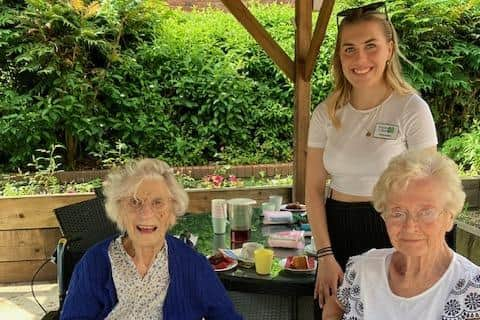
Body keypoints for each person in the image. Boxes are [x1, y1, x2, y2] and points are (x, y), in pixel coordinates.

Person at [305, 1, 438, 309]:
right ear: (339, 56)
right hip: (336, 232)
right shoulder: (326, 113)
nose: (360, 58)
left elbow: (430, 191)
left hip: (396, 231)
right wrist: (325, 254)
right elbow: (312, 190)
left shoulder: (411, 109)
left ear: (389, 49)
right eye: (349, 49)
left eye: (371, 46)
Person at [60, 159, 242, 320]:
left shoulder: (193, 264)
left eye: (157, 202)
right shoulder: (94, 264)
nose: (146, 214)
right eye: (134, 202)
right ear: (119, 210)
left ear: (172, 210)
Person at [322, 150, 480, 319]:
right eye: (398, 213)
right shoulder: (364, 269)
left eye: (426, 212)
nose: (410, 227)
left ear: (449, 218)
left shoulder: (471, 290)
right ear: (384, 217)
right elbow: (334, 307)